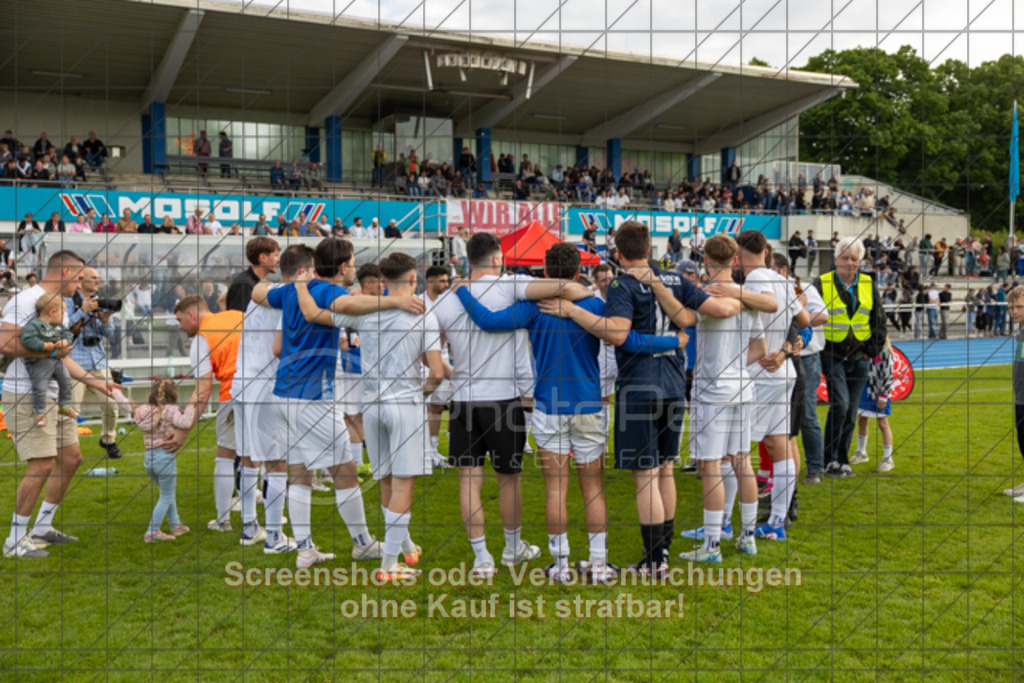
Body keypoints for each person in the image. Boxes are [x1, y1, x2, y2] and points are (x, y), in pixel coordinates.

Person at [456, 242, 685, 581]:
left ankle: (561, 564)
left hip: (549, 405)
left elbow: (489, 322)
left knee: (555, 489)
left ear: (546, 273)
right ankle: (598, 561)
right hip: (589, 405)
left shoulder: (535, 306)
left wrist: (462, 291)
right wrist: (674, 341)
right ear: (579, 272)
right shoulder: (596, 304)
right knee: (593, 487)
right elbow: (629, 340)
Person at [251, 237, 423, 568]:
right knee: (344, 469)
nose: (355, 269)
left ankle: (305, 550)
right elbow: (347, 306)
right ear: (343, 267)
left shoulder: (291, 290)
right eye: (354, 263)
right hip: (312, 398)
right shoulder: (331, 292)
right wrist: (394, 303)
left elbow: (258, 292)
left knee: (300, 471)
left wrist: (296, 285)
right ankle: (362, 543)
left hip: (282, 394)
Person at [428, 233, 593, 578]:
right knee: (509, 480)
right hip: (503, 400)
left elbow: (430, 352)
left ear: (469, 259)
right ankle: (512, 547)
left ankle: (482, 557)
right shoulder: (511, 284)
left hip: (464, 400)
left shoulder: (443, 300)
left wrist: (452, 373)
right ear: (498, 258)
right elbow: (566, 286)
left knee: (468, 482)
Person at [584, 221, 741, 577]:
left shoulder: (622, 284)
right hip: (673, 383)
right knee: (666, 467)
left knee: (646, 476)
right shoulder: (674, 279)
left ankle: (654, 559)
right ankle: (663, 550)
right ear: (650, 250)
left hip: (639, 385)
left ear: (618, 254)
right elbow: (714, 308)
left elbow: (619, 334)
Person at [294, 252, 445, 582]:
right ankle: (389, 566)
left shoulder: (366, 312)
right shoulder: (423, 315)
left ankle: (403, 544)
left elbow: (315, 314)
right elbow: (437, 372)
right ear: (411, 280)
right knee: (403, 484)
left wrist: (300, 285)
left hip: (372, 406)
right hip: (404, 405)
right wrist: (422, 394)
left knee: (387, 480)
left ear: (383, 281)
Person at [1, 250, 120, 558]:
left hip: (56, 394)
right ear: (66, 272)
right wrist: (53, 352)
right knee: (40, 464)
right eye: (80, 278)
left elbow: (63, 358)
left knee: (71, 459)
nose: (83, 284)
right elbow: (5, 342)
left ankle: (42, 527)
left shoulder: (62, 308)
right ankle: (15, 541)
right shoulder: (26, 300)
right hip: (27, 394)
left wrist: (98, 384)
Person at [708, 231, 809, 541]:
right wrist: (786, 346)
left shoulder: (755, 281)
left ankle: (724, 524)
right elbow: (803, 318)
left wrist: (735, 292)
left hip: (759, 370)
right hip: (781, 370)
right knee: (779, 446)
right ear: (767, 250)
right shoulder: (781, 277)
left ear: (737, 254)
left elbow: (770, 304)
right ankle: (776, 523)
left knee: (732, 451)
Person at [675, 234, 767, 562]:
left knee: (710, 465)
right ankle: (747, 537)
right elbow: (760, 348)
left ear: (707, 261)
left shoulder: (707, 296)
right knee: (742, 460)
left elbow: (682, 322)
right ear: (734, 260)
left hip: (712, 391)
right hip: (742, 387)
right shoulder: (747, 298)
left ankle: (712, 545)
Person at [231, 244, 309, 554]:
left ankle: (250, 528)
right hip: (264, 385)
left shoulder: (264, 292)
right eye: (312, 270)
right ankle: (275, 537)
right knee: (278, 461)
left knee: (250, 457)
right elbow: (279, 348)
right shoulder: (285, 298)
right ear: (302, 272)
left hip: (243, 381)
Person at [814, 236, 887, 479]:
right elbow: (809, 316)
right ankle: (828, 459)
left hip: (860, 356)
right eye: (844, 258)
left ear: (860, 262)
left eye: (854, 259)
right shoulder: (822, 283)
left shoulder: (867, 283)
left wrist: (871, 350)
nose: (849, 262)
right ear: (835, 260)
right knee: (841, 405)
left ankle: (842, 460)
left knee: (851, 409)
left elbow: (878, 319)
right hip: (832, 353)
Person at [67, 267, 121, 459]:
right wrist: (83, 311)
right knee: (72, 410)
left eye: (98, 279)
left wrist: (106, 321)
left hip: (97, 359)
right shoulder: (68, 301)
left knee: (111, 404)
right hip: (74, 361)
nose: (97, 282)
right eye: (93, 278)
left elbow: (110, 335)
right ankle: (71, 449)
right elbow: (63, 329)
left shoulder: (100, 301)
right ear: (81, 281)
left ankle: (108, 440)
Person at [134, 379, 196, 542]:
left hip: (149, 460)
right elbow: (186, 422)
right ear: (172, 394)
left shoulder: (145, 410)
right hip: (165, 459)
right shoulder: (170, 410)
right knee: (166, 495)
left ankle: (176, 525)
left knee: (167, 493)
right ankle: (152, 532)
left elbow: (127, 406)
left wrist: (115, 392)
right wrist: (191, 407)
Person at [21, 295, 77, 426]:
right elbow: (27, 340)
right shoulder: (34, 325)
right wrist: (44, 346)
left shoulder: (58, 326)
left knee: (66, 381)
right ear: (52, 312)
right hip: (39, 362)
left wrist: (64, 341)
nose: (63, 317)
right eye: (62, 313)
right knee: (40, 387)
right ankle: (40, 413)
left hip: (56, 361)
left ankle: (64, 406)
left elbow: (69, 335)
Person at [422, 267, 455, 468]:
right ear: (430, 281)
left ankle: (437, 450)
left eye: (446, 281)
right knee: (425, 407)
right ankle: (428, 452)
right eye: (441, 281)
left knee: (441, 406)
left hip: (441, 359)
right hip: (421, 361)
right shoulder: (418, 301)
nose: (445, 285)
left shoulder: (448, 303)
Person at [851, 338, 896, 472]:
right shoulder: (864, 347)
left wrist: (883, 395)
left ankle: (888, 458)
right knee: (862, 420)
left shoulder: (884, 351)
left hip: (878, 391)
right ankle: (861, 452)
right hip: (864, 388)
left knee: (883, 423)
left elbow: (888, 374)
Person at [1005, 287, 1024, 500]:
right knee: (1023, 442)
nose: (1014, 311)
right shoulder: (1021, 332)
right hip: (1020, 395)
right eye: (1011, 307)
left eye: (1019, 307)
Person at [226, 237, 279, 312]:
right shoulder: (244, 285)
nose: (278, 260)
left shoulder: (254, 282)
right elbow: (238, 319)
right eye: (276, 255)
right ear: (263, 258)